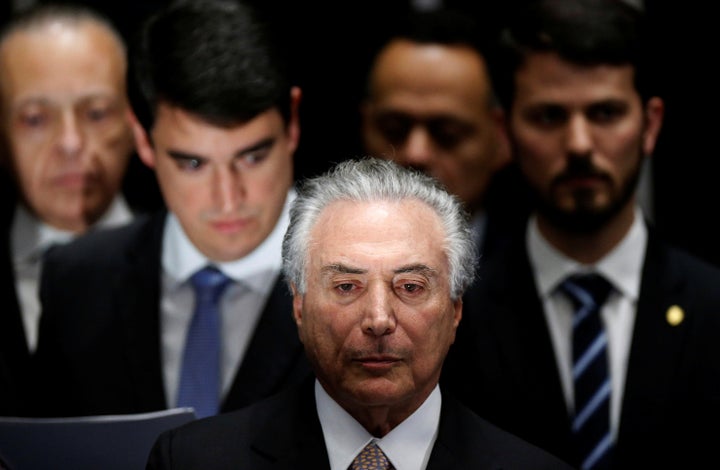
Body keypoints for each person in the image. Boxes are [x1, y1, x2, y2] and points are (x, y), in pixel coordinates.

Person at [145, 158, 574, 469]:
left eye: (410, 287)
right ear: (298, 304)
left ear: (455, 310)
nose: (379, 319)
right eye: (347, 287)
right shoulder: (192, 460)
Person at [441, 0, 720, 468]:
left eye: (605, 113)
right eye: (549, 116)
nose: (579, 144)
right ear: (504, 131)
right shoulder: (454, 317)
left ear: (650, 125)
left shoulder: (713, 309)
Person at [30, 0, 310, 418]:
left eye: (252, 156)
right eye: (193, 163)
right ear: (141, 139)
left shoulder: (372, 286)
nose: (228, 198)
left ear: (291, 122)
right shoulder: (76, 283)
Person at [0, 4, 136, 415]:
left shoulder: (199, 242)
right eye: (36, 119)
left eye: (96, 113)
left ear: (134, 125)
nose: (72, 142)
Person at [360, 8, 527, 262]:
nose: (416, 152)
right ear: (366, 125)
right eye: (394, 129)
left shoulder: (533, 269)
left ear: (501, 137)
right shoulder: (313, 261)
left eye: (447, 134)